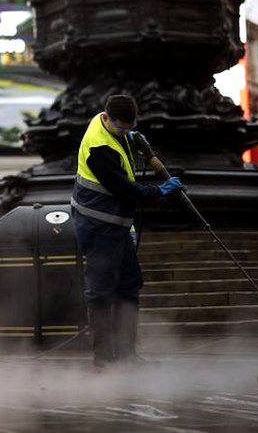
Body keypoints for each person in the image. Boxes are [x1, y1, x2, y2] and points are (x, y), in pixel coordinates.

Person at [71, 94, 183, 369]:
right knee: (100, 291)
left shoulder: (108, 127)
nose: (124, 132)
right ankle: (102, 359)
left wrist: (130, 139)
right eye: (120, 128)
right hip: (98, 227)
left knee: (130, 285)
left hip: (117, 227)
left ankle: (127, 354)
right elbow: (125, 189)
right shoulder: (99, 148)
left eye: (129, 128)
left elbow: (122, 144)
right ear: (107, 118)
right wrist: (160, 190)